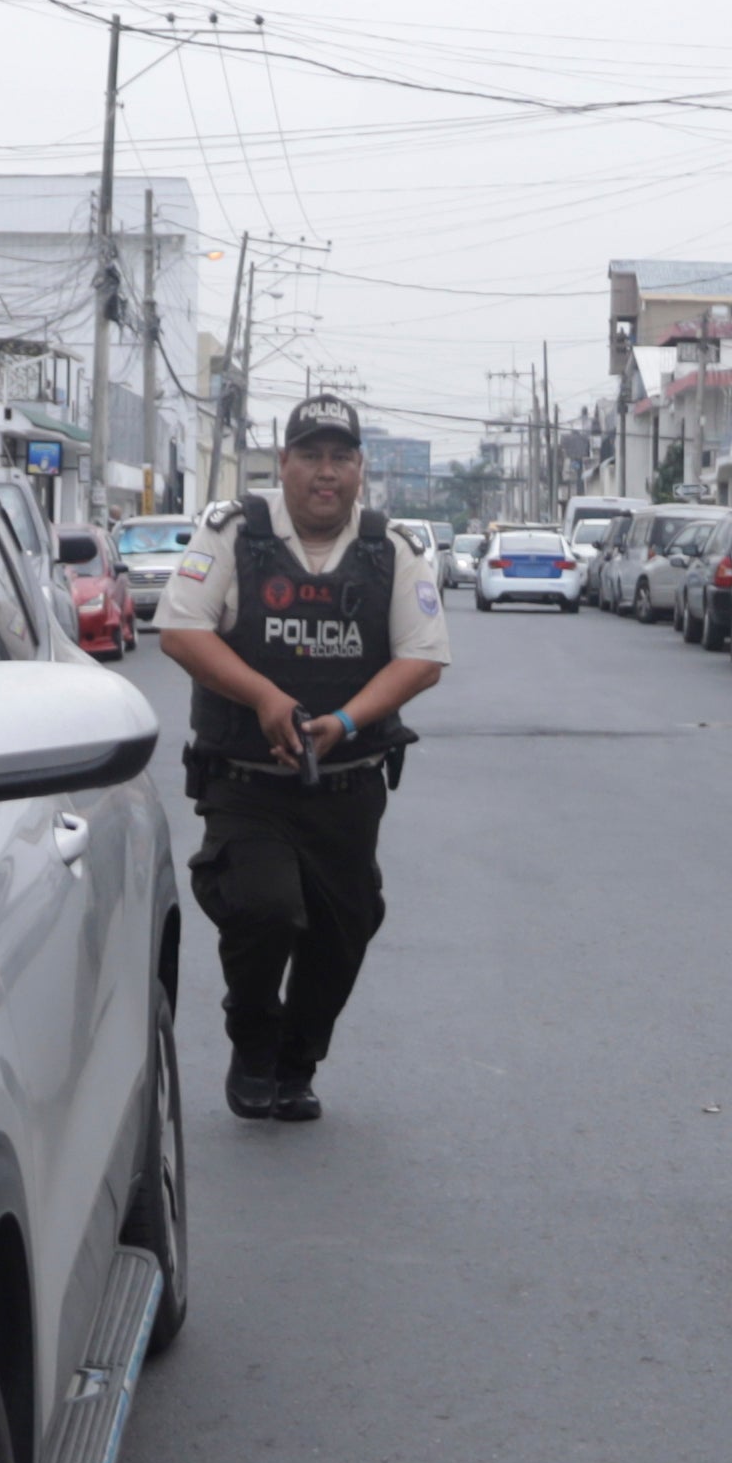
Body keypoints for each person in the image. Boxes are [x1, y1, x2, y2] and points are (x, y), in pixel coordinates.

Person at [158, 396, 449, 1123]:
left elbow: (422, 658)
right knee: (263, 908)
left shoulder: (395, 549)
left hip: (347, 787)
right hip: (246, 783)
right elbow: (181, 631)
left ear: (360, 470)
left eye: (341, 458)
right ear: (282, 463)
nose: (326, 473)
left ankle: (297, 1062)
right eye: (311, 457)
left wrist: (346, 721)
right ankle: (253, 1042)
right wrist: (264, 698)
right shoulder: (230, 534)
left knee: (342, 933)